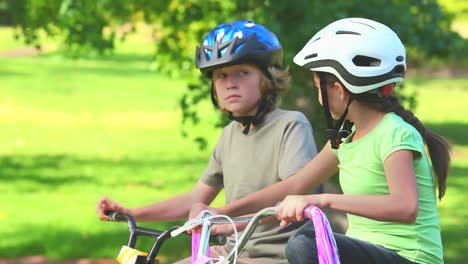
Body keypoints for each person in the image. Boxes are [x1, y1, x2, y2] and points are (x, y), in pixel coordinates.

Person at [96, 20, 319, 264]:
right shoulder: (229, 135)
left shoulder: (291, 125)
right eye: (221, 75)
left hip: (276, 258)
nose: (230, 83)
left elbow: (295, 196)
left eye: (242, 73)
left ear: (268, 77)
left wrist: (227, 220)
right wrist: (134, 213)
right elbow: (196, 199)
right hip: (228, 254)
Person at [270, 18, 451, 264]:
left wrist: (322, 200)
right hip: (370, 253)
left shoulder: (394, 133)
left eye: (317, 88)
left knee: (306, 244)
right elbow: (296, 185)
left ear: (339, 90)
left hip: (411, 258)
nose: (318, 96)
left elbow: (406, 206)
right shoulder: (347, 136)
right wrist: (227, 219)